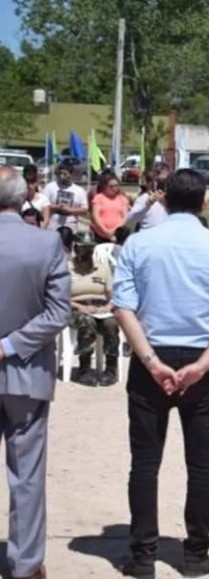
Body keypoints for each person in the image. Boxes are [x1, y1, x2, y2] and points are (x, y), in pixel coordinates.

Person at [112, 168, 209, 579]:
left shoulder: (138, 244)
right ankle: (195, 553)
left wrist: (151, 362)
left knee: (146, 463)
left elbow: (123, 307)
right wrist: (203, 365)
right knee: (201, 464)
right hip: (199, 362)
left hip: (150, 356)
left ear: (163, 200)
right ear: (204, 202)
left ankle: (143, 556)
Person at [0, 166, 71, 579]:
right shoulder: (46, 245)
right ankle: (25, 565)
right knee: (27, 474)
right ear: (22, 196)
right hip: (26, 372)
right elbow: (58, 312)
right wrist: (9, 346)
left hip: (20, 366)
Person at [69, 232, 120, 387]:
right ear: (76, 249)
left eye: (90, 248)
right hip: (75, 307)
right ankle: (85, 368)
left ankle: (111, 367)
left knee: (111, 323)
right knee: (86, 320)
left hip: (101, 307)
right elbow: (60, 297)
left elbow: (112, 294)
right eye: (83, 248)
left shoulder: (102, 267)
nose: (87, 252)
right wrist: (81, 307)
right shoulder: (67, 267)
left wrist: (108, 306)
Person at [43, 161, 89, 232]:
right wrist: (57, 207)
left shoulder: (79, 190)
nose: (62, 176)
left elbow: (84, 209)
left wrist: (70, 209)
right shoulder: (50, 187)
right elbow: (43, 205)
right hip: (53, 222)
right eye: (60, 173)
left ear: (71, 174)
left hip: (70, 222)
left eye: (65, 174)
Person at [126, 164, 169, 231]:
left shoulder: (173, 198)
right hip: (148, 237)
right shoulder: (144, 198)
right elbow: (131, 218)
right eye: (158, 180)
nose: (162, 183)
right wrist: (146, 206)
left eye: (164, 180)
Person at [91, 173, 130, 243]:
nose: (114, 188)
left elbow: (125, 217)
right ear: (105, 186)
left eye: (116, 186)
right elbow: (96, 216)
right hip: (100, 235)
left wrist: (114, 231)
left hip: (118, 235)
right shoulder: (99, 198)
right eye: (111, 186)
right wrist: (106, 231)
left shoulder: (122, 199)